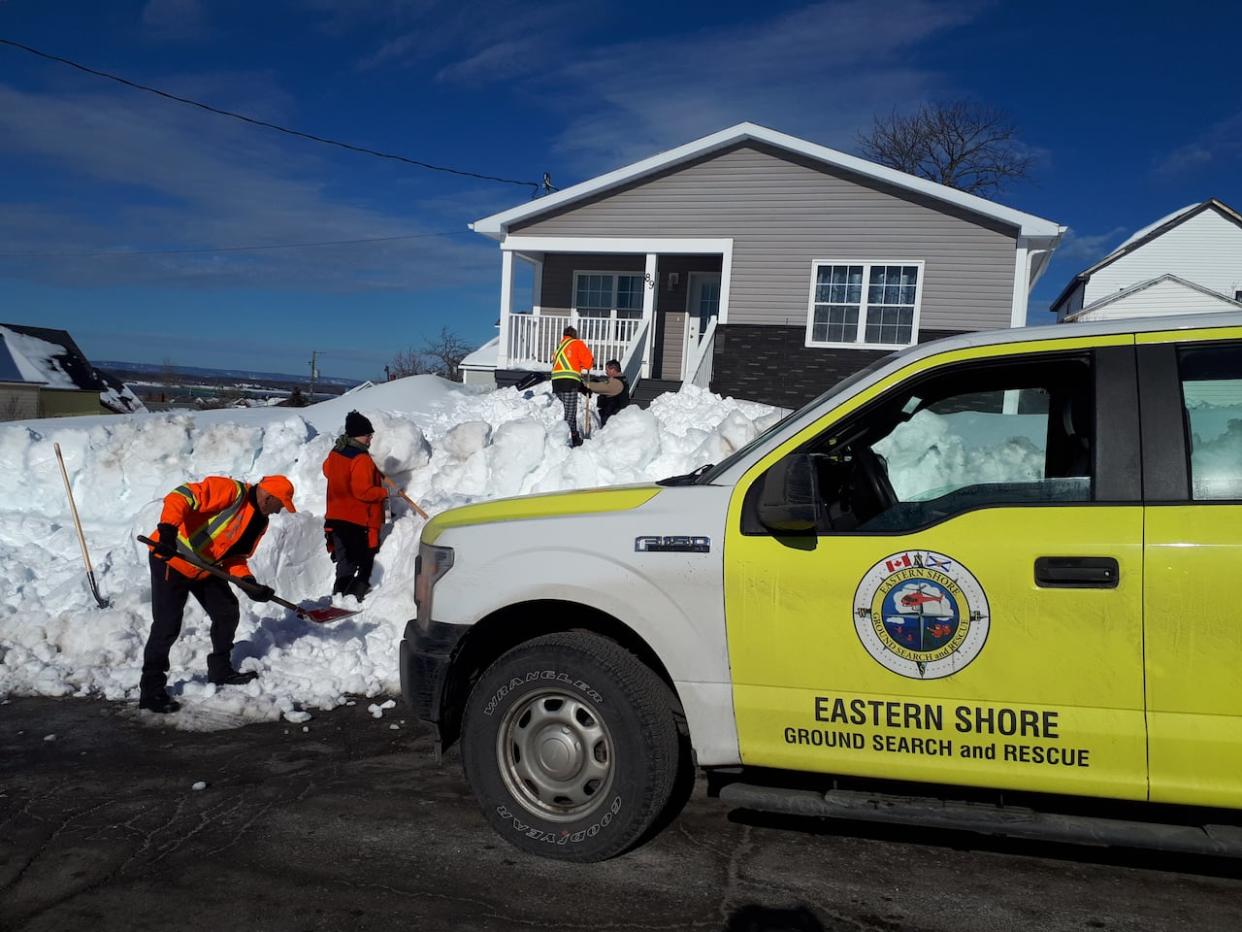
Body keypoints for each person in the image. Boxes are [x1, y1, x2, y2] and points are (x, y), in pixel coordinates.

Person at [142, 475, 296, 714]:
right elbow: (181, 495)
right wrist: (167, 530)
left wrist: (248, 582)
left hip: (205, 568)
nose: (278, 512)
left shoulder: (259, 522)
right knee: (167, 624)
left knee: (226, 612)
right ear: (267, 497)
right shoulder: (231, 492)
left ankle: (220, 670)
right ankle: (151, 691)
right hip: (172, 558)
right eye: (279, 505)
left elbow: (235, 557)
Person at [323, 410, 389, 601]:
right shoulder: (362, 459)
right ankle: (345, 597)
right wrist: (385, 492)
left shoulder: (336, 452)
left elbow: (327, 470)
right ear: (357, 435)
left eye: (371, 435)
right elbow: (364, 492)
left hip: (335, 516)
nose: (370, 439)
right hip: (356, 519)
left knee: (345, 559)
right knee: (358, 560)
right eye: (368, 435)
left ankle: (342, 596)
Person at [550, 325, 594, 446]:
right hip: (569, 383)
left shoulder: (560, 347)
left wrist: (581, 387)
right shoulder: (577, 343)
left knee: (570, 411)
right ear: (575, 335)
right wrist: (590, 358)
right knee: (570, 414)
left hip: (557, 383)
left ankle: (575, 437)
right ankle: (559, 443)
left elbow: (568, 365)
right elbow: (588, 363)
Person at [585, 359, 631, 427]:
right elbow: (605, 384)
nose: (606, 372)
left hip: (612, 418)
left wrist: (584, 385)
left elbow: (601, 387)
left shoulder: (617, 383)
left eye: (607, 370)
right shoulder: (620, 380)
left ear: (613, 369)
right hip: (612, 416)